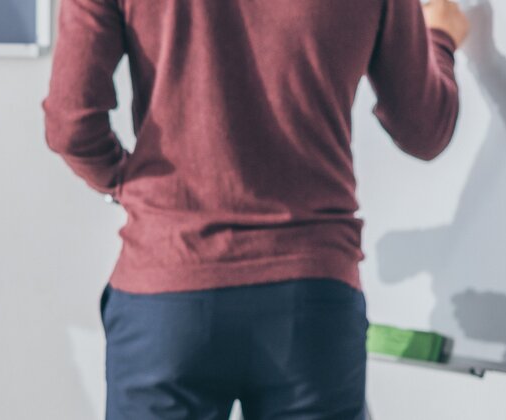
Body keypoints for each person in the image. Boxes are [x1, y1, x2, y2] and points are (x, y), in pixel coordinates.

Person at [43, 0, 469, 417]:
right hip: (311, 297)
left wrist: (134, 191)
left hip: (169, 293)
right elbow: (425, 128)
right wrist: (440, 36)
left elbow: (71, 125)